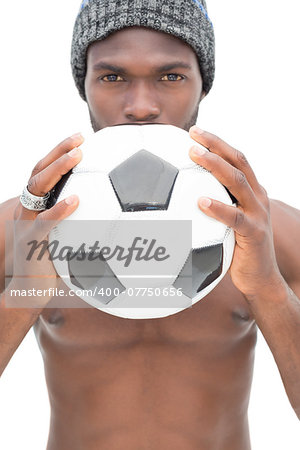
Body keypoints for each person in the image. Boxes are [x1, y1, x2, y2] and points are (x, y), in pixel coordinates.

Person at [0, 0, 300, 449]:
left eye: (171, 76)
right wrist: (23, 295)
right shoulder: (22, 229)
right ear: (84, 85)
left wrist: (267, 288)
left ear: (203, 87)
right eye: (112, 77)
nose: (141, 107)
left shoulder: (270, 232)